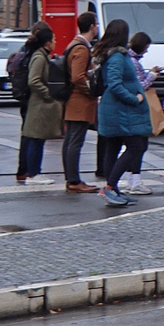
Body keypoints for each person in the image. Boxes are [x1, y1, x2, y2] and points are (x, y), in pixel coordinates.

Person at [94, 19, 151, 207]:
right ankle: (109, 188)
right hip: (121, 110)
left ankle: (114, 190)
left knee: (113, 147)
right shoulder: (117, 56)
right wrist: (134, 98)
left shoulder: (112, 54)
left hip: (116, 110)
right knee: (136, 146)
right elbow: (115, 84)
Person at [60, 12, 100, 193]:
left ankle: (71, 179)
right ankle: (74, 180)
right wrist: (90, 90)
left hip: (73, 100)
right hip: (79, 102)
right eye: (96, 24)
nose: (97, 27)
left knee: (70, 141)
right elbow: (77, 77)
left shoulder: (74, 44)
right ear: (91, 26)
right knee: (75, 141)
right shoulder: (81, 48)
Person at [18, 23, 62, 185]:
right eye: (54, 40)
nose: (55, 42)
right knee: (36, 139)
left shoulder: (42, 55)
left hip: (39, 105)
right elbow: (34, 80)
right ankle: (33, 174)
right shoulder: (39, 57)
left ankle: (34, 172)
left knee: (37, 139)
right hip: (39, 105)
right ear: (47, 43)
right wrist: (48, 94)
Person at [118, 31, 157, 196]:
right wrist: (152, 76)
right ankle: (133, 181)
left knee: (136, 145)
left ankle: (131, 180)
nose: (147, 51)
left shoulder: (130, 60)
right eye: (146, 47)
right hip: (136, 108)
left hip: (131, 108)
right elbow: (140, 86)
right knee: (139, 146)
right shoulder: (133, 62)